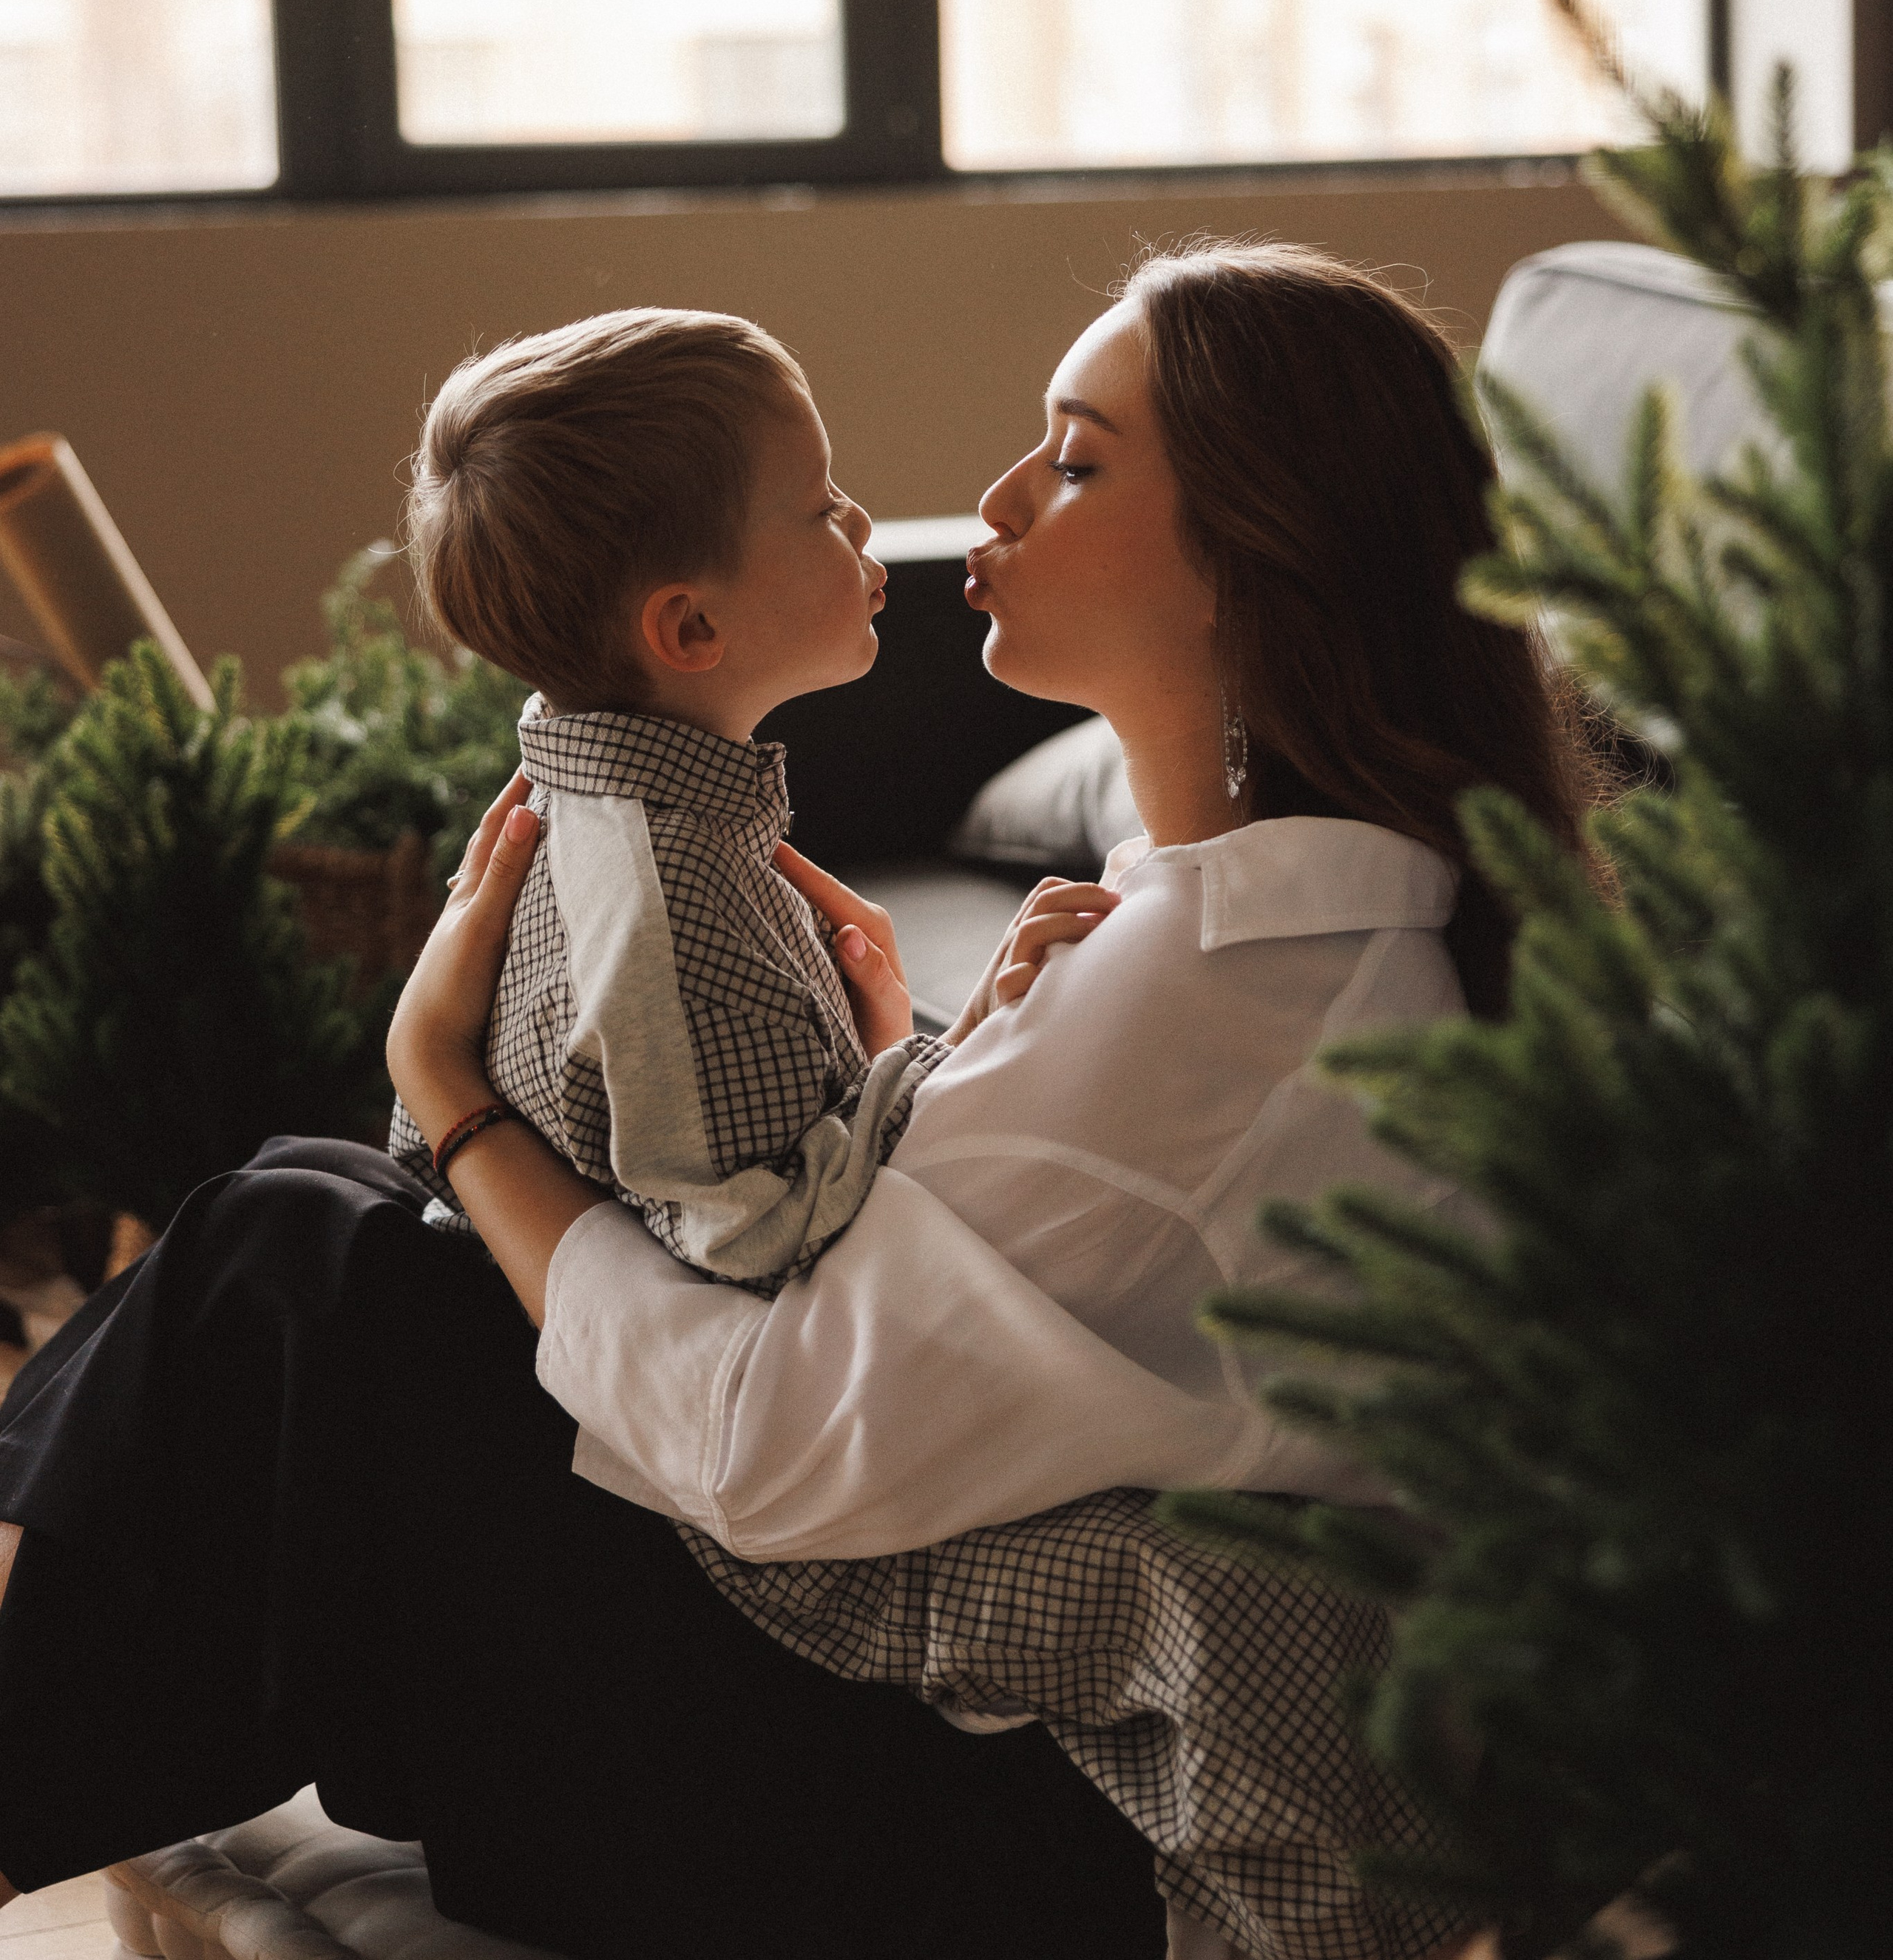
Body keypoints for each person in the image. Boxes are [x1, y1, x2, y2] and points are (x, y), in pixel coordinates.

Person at [0, 240, 1596, 1960]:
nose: (995, 494)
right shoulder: (1267, 916)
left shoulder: (1226, 986)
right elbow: (1011, 1266)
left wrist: (449, 1096)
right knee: (316, 1246)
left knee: (313, 1259)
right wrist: (924, 1046)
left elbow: (763, 1449)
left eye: (1074, 462)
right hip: (955, 1745)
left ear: (1254, 558)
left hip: (975, 1834)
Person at [385, 305, 1026, 1291]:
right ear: (690, 629)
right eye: (820, 505)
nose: (861, 520)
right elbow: (761, 1244)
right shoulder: (668, 915)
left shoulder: (617, 802)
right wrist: (961, 1055)